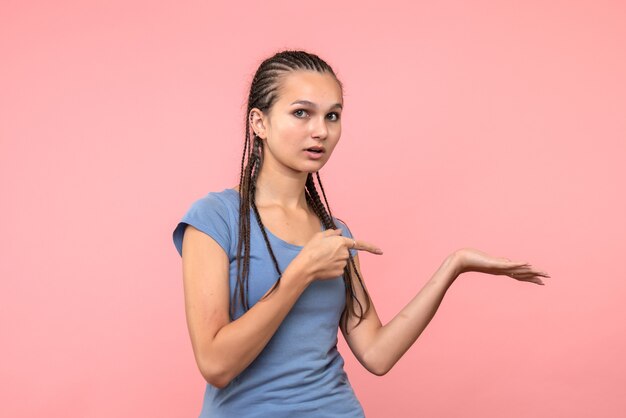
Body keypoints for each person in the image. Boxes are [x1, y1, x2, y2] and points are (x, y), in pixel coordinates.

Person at [172, 49, 550, 418]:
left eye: (332, 115)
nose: (320, 130)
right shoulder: (215, 218)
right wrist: (300, 273)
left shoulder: (332, 232)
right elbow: (215, 364)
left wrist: (454, 266)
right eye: (301, 113)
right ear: (259, 123)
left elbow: (377, 354)